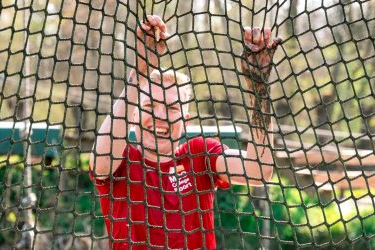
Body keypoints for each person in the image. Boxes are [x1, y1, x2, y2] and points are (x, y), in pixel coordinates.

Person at [89, 15, 281, 249]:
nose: (160, 115)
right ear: (133, 115)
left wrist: (258, 87)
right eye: (150, 106)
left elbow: (258, 170)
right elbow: (100, 162)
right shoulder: (121, 161)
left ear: (186, 121)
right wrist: (140, 70)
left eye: (171, 108)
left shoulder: (200, 154)